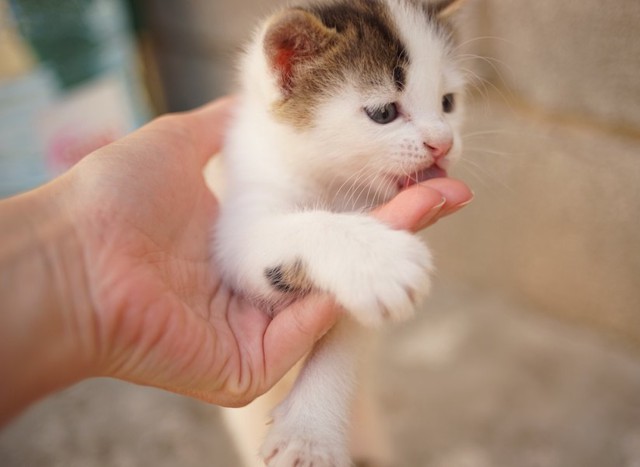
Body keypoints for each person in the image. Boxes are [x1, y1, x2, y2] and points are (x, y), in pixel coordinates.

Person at [0, 96, 473, 427]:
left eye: (448, 101)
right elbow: (256, 248)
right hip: (250, 266)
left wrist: (72, 261)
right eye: (384, 110)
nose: (442, 137)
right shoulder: (262, 147)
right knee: (260, 418)